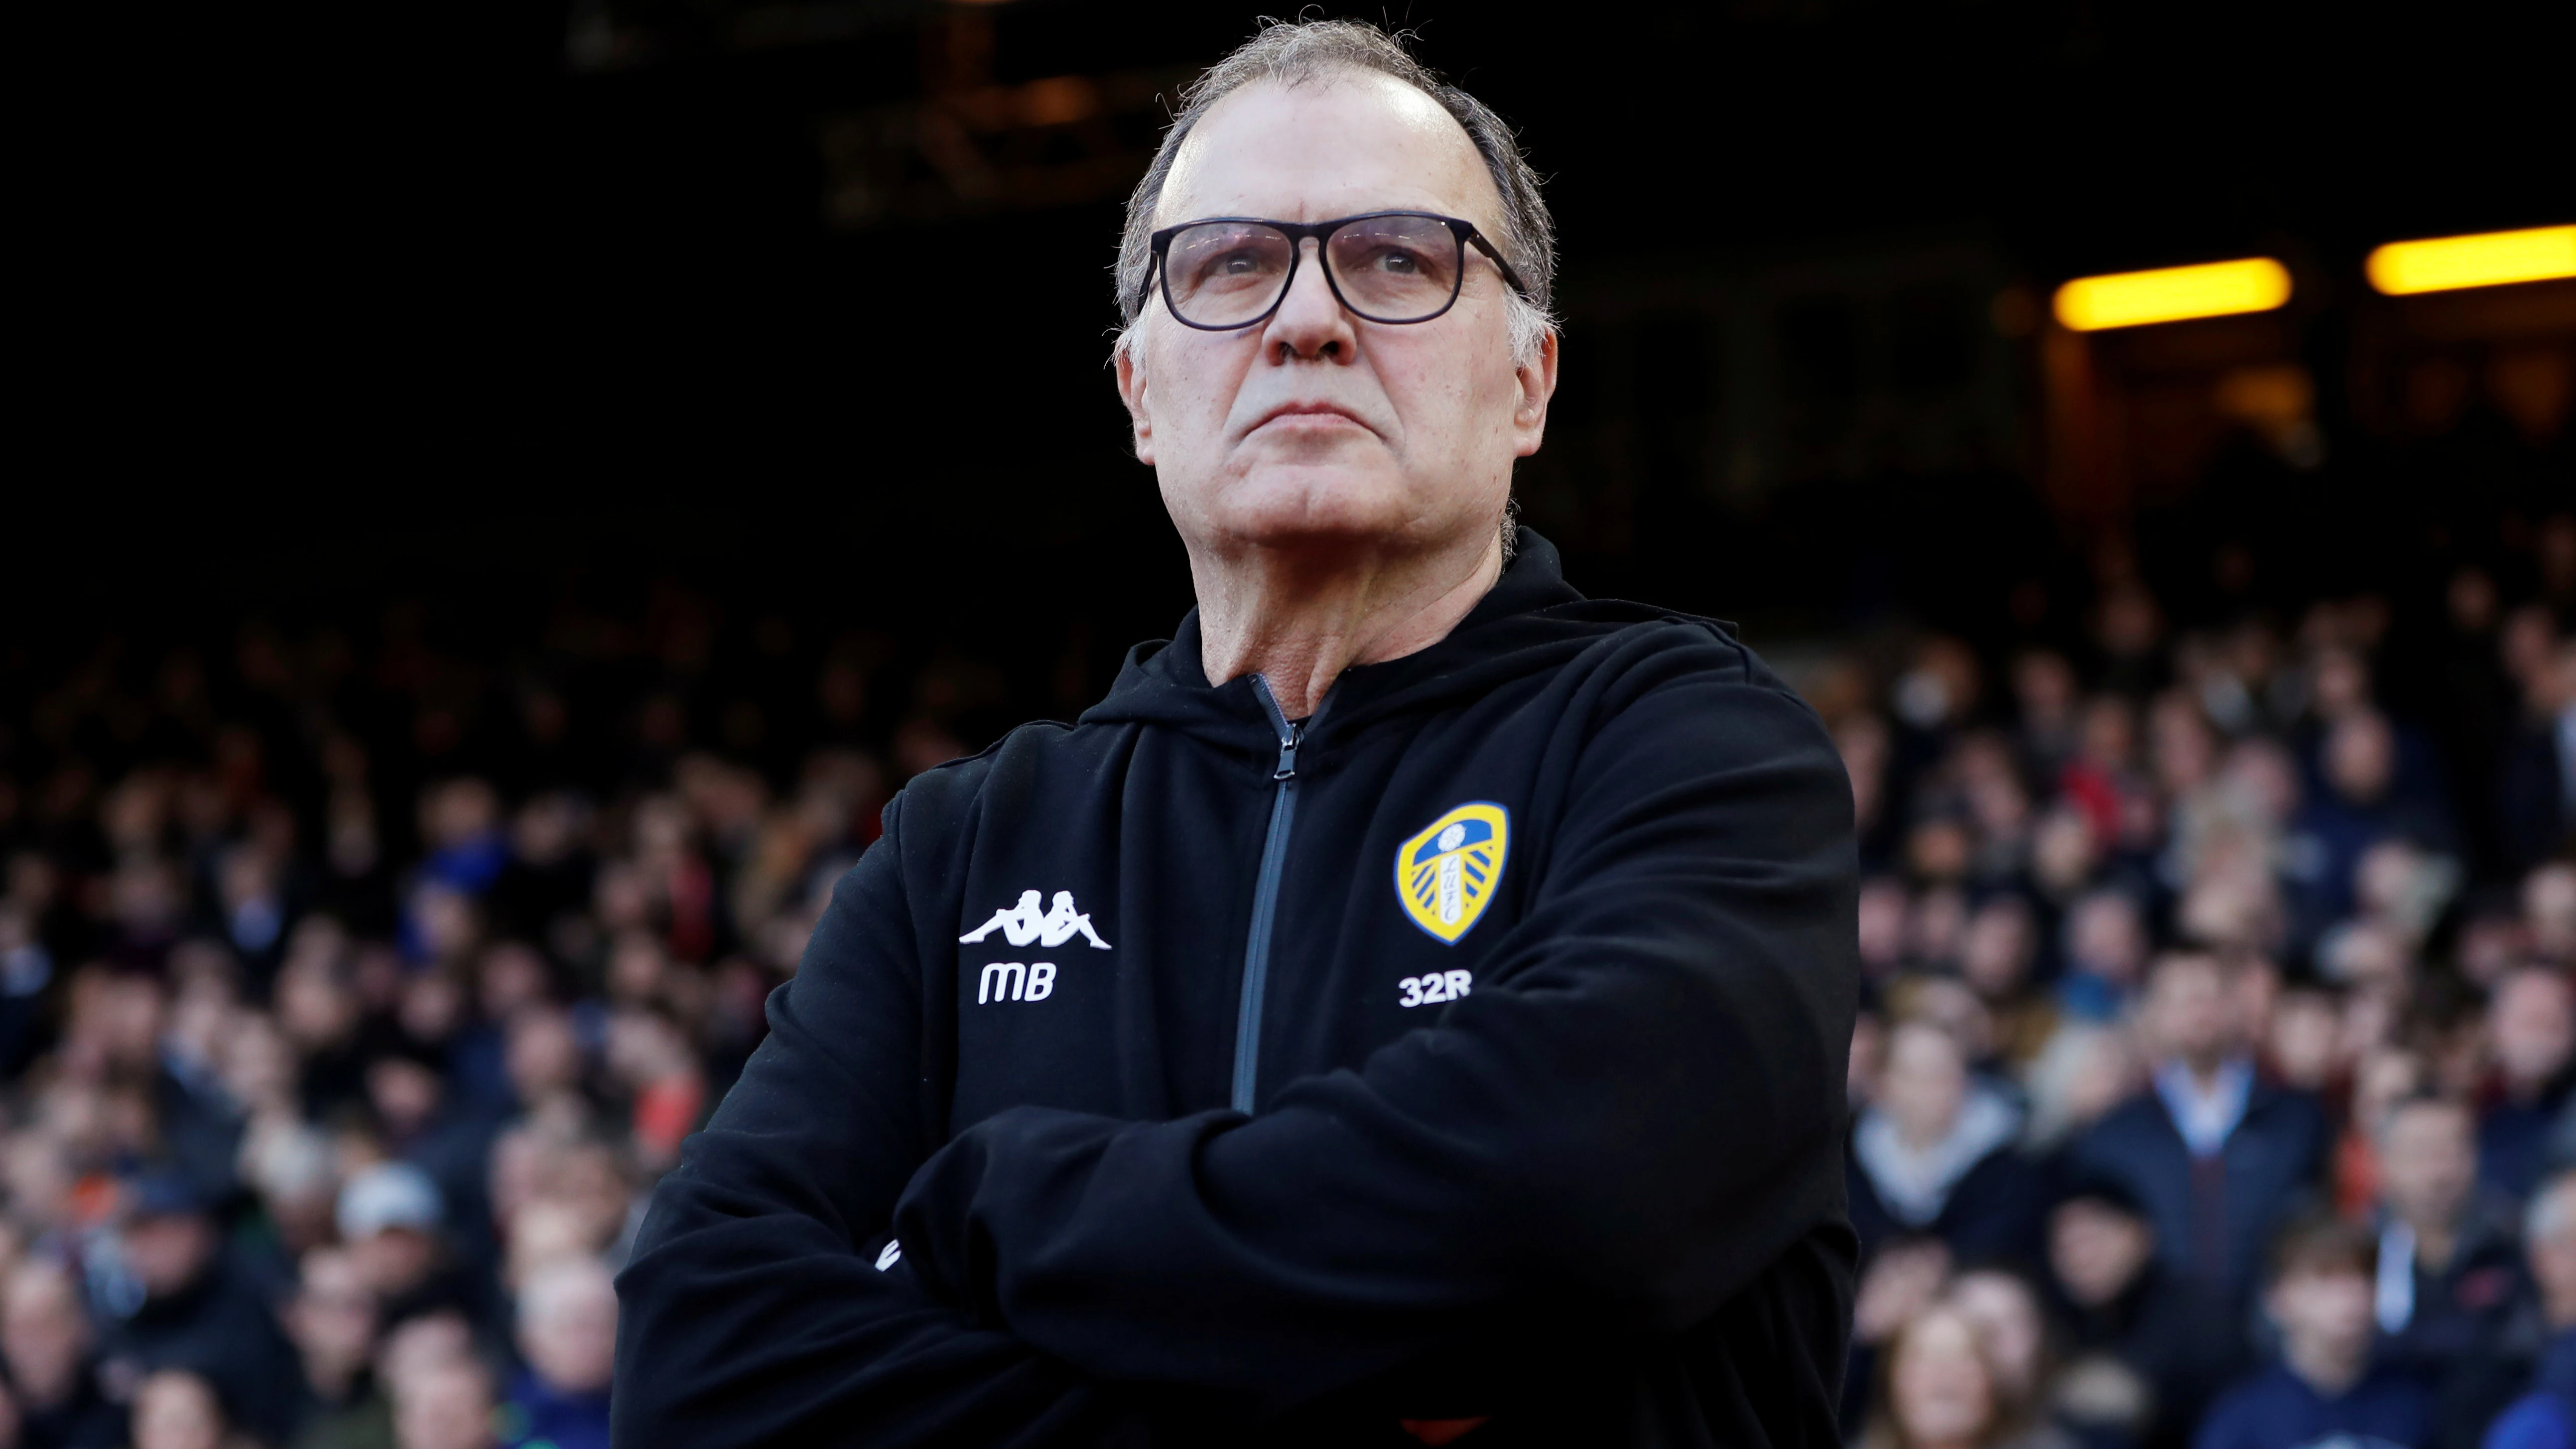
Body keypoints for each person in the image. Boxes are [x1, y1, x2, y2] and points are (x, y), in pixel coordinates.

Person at [614, 18, 1858, 1449]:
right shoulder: (963, 849)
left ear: (1528, 385)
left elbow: (1570, 1206)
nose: (1306, 318)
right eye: (1229, 265)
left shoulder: (1693, 749)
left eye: (1398, 259)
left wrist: (987, 1209)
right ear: (1141, 398)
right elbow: (703, 1368)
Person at [2069, 953, 2326, 1320]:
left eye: (2210, 995)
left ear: (2239, 1005)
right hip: (2151, 1343)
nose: (2197, 1011)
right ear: (2152, 1014)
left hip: (2273, 1337)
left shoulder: (2299, 1120)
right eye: (2179, 998)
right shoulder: (2112, 1135)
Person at [2193, 1216, 2434, 1449]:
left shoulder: (2416, 1405)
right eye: (2327, 1279)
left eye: (2363, 1279)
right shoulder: (2241, 1419)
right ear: (2277, 1298)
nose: (2350, 1300)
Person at [1849, 1020, 2040, 1265]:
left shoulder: (2009, 1171)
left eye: (1946, 1074)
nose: (1935, 1089)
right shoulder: (1851, 1162)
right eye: (1918, 1075)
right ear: (1884, 1085)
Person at [2374, 1095, 2523, 1388]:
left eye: (2452, 1151)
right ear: (2385, 1162)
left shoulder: (2513, 1240)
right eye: (2419, 1153)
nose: (2438, 1172)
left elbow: (2527, 1341)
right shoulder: (2359, 1249)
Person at [2, 1258, 124, 1449]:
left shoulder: (112, 1400)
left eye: (45, 1325)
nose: (31, 1343)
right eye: (18, 1329)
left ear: (76, 1329)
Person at [505, 1257, 613, 1449]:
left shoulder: (648, 1413)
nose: (591, 1341)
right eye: (575, 1326)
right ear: (528, 1336)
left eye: (604, 1324)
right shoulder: (498, 1424)